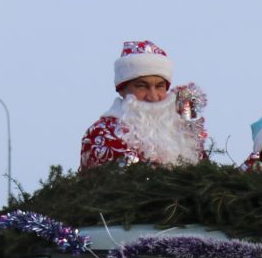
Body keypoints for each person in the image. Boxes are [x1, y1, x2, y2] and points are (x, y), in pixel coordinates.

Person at [79, 40, 209, 168]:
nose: (153, 97)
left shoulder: (182, 133)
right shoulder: (102, 132)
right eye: (142, 86)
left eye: (160, 87)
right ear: (122, 90)